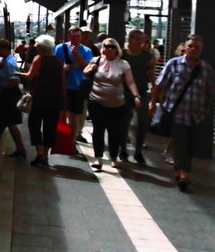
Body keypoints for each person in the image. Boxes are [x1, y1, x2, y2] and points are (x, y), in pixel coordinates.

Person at [150, 34, 215, 192]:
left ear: (201, 50)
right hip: (177, 112)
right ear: (185, 48)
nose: (193, 49)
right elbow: (160, 84)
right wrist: (154, 102)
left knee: (191, 143)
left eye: (197, 47)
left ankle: (184, 168)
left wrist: (206, 109)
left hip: (195, 114)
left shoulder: (205, 68)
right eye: (191, 46)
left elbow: (210, 91)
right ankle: (182, 173)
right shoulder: (173, 64)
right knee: (180, 142)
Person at [83, 37, 143, 170]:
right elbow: (85, 73)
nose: (109, 49)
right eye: (106, 46)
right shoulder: (95, 60)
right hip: (96, 101)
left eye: (112, 47)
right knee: (98, 130)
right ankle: (98, 158)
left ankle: (114, 157)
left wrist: (136, 96)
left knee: (114, 131)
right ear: (102, 48)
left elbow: (131, 82)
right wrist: (91, 68)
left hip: (116, 104)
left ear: (117, 49)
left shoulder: (123, 64)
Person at [18, 35, 66, 168]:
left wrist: (17, 73)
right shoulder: (58, 61)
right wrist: (63, 103)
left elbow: (30, 76)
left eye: (37, 45)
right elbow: (62, 82)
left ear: (41, 47)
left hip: (40, 97)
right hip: (55, 99)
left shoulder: (39, 59)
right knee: (50, 127)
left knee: (34, 124)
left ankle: (39, 153)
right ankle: (45, 155)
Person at [120, 29, 157, 164]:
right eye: (137, 39)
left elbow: (151, 75)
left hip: (142, 92)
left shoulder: (147, 57)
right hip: (124, 92)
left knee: (143, 122)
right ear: (130, 39)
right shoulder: (122, 55)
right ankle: (123, 149)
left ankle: (138, 151)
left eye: (142, 39)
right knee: (124, 122)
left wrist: (154, 93)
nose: (140, 42)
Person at [54, 26, 95, 144]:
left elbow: (88, 67)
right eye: (73, 36)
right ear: (69, 36)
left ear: (81, 37)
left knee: (74, 116)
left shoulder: (87, 51)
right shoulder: (60, 48)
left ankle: (71, 141)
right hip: (63, 85)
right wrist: (62, 68)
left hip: (78, 87)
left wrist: (77, 55)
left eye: (78, 36)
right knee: (61, 113)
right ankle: (60, 138)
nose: (76, 38)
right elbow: (55, 64)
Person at [0, 38, 27, 158]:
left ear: (5, 49)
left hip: (8, 96)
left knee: (9, 123)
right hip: (6, 96)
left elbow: (15, 80)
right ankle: (19, 149)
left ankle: (20, 149)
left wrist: (1, 88)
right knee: (7, 123)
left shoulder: (10, 63)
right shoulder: (6, 60)